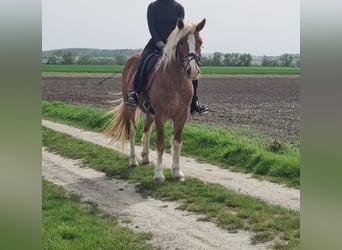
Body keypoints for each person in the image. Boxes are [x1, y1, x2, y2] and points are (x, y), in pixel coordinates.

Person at [125, 0, 208, 115]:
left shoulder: (179, 7)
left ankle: (194, 101)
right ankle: (136, 93)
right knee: (145, 62)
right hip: (155, 43)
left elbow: (180, 30)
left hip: (174, 45)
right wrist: (160, 43)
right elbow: (152, 28)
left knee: (190, 66)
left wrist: (170, 46)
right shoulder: (153, 6)